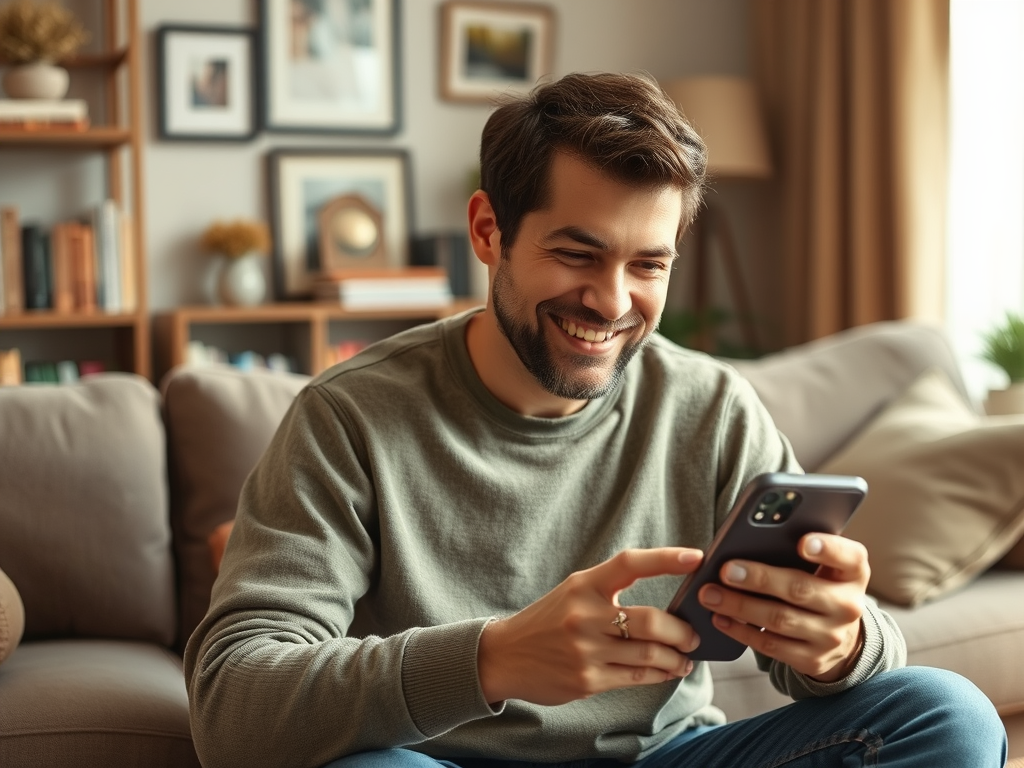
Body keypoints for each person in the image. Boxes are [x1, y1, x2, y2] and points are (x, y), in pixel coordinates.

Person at [184, 72, 1007, 768]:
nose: (612, 303)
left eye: (647, 264)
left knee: (949, 715)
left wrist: (842, 645)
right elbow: (231, 700)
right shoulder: (348, 417)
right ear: (488, 231)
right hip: (442, 760)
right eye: (577, 254)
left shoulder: (710, 409)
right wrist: (491, 659)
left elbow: (825, 663)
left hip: (664, 755)